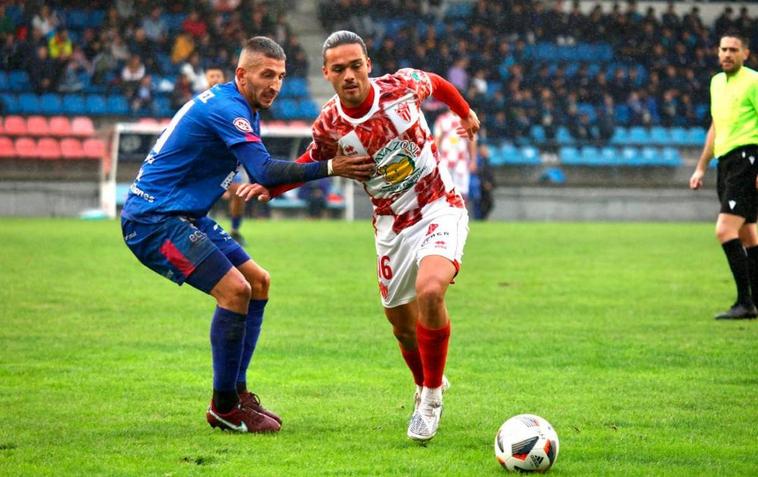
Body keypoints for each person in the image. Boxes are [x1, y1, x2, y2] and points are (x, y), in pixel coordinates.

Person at [120, 37, 374, 434]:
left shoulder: (242, 106)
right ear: (241, 75)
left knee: (258, 281)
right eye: (266, 75)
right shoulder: (227, 108)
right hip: (153, 221)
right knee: (235, 290)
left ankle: (236, 394)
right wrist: (330, 167)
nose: (275, 84)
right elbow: (264, 170)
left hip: (184, 215)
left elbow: (257, 173)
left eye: (281, 76)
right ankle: (223, 406)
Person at [238, 31, 480, 442]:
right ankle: (423, 383)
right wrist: (270, 187)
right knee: (401, 326)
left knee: (431, 291)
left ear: (368, 64)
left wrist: (464, 111)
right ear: (326, 74)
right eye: (339, 69)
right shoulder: (329, 124)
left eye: (355, 65)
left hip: (438, 206)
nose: (349, 75)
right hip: (390, 226)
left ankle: (432, 398)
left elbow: (437, 82)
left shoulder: (402, 87)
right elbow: (312, 161)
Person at [689, 32, 758, 320]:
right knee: (749, 236)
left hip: (747, 159)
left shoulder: (754, 81)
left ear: (745, 53)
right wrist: (702, 166)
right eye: (723, 49)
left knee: (724, 231)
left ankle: (745, 302)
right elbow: (716, 127)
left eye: (733, 50)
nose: (727, 54)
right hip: (726, 162)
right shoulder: (717, 82)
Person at [205, 66, 248, 244]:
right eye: (211, 75)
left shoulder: (232, 103)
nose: (215, 78)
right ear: (206, 79)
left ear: (224, 78)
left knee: (239, 193)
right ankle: (198, 231)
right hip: (204, 163)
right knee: (201, 196)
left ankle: (235, 231)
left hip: (227, 163)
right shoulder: (199, 102)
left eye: (218, 75)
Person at [434, 109, 477, 203]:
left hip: (462, 160)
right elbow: (437, 140)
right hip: (445, 160)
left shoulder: (467, 120)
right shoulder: (442, 119)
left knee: (462, 191)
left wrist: (473, 160)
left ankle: (463, 216)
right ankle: (447, 216)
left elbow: (472, 141)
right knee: (445, 190)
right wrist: (435, 159)